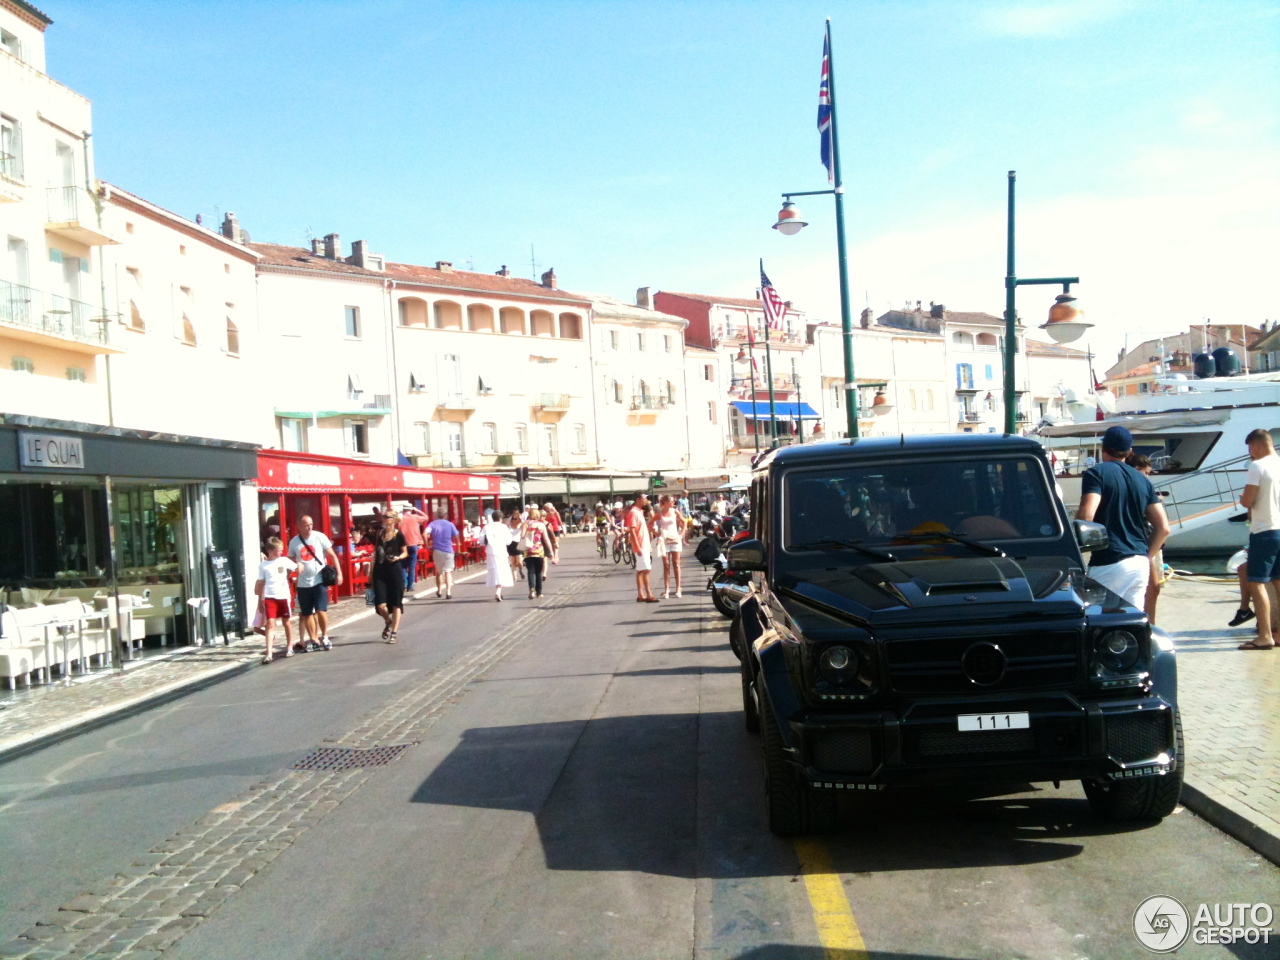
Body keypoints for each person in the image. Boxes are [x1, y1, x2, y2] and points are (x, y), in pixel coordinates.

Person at [1075, 426, 1170, 609]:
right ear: (1130, 451)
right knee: (1129, 624)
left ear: (1103, 448)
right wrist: (1145, 556)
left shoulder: (1097, 474)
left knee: (1095, 624)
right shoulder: (1142, 479)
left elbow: (1086, 516)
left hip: (1109, 561)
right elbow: (1163, 528)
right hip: (1140, 563)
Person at [1238, 428, 1280, 650]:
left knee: (1256, 582)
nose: (1250, 454)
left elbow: (1248, 501)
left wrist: (1243, 499)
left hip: (1265, 530)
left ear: (1257, 446)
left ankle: (1265, 636)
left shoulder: (1257, 466)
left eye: (1251, 449)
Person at [288, 514, 342, 652]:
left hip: (319, 580)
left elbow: (332, 555)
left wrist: (339, 573)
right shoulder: (294, 542)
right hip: (303, 582)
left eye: (311, 524)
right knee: (306, 613)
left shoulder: (319, 537)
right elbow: (290, 560)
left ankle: (325, 636)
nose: (309, 527)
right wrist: (294, 567)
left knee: (321, 610)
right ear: (299, 526)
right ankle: (313, 639)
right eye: (306, 525)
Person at [1125, 452, 1165, 624]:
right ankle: (1149, 625)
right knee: (1151, 588)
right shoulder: (1141, 489)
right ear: (1136, 469)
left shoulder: (1137, 487)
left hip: (1141, 543)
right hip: (1142, 545)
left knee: (1151, 588)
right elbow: (1163, 528)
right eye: (1146, 473)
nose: (1147, 478)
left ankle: (1148, 625)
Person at [255, 538, 297, 663]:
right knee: (270, 624)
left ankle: (289, 646)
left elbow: (296, 567)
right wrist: (259, 601)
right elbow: (261, 583)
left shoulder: (283, 560)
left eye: (281, 550)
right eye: (278, 550)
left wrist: (298, 568)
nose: (281, 552)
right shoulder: (263, 565)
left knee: (286, 622)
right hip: (270, 596)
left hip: (283, 596)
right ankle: (269, 653)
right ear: (270, 551)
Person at [372, 511, 408, 642]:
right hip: (380, 571)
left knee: (396, 603)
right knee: (381, 605)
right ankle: (388, 621)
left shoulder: (398, 535)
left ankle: (394, 632)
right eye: (383, 517)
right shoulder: (379, 534)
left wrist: (398, 557)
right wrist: (371, 573)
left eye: (387, 517)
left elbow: (405, 552)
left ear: (393, 520)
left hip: (395, 571)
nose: (384, 519)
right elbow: (375, 554)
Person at [653, 494, 687, 599]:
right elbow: (649, 524)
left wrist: (681, 534)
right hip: (665, 540)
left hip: (675, 538)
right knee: (666, 565)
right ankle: (667, 589)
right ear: (666, 502)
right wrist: (658, 535)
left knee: (676, 564)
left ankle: (678, 588)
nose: (674, 503)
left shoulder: (675, 511)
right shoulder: (660, 513)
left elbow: (684, 521)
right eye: (672, 501)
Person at [626, 493, 658, 602]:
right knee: (646, 570)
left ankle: (640, 594)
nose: (646, 500)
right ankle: (649, 594)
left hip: (644, 544)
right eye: (644, 498)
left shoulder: (640, 512)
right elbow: (632, 530)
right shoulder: (633, 512)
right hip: (640, 545)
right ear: (637, 499)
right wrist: (638, 546)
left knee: (640, 570)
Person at [425, 507, 460, 600]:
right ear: (446, 515)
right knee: (448, 571)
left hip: (437, 550)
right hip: (449, 550)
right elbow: (457, 538)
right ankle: (448, 592)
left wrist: (427, 545)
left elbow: (424, 534)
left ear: (436, 515)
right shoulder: (450, 524)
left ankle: (439, 590)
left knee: (439, 572)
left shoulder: (432, 524)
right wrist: (458, 550)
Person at [481, 509, 514, 601]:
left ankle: (498, 589)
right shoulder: (503, 527)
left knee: (495, 570)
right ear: (501, 518)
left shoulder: (487, 527)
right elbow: (509, 541)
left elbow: (481, 541)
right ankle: (499, 590)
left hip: (490, 552)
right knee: (501, 571)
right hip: (501, 551)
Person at [521, 507, 550, 599]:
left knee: (530, 571)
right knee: (538, 572)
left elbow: (522, 536)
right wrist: (551, 551)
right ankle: (539, 592)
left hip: (528, 550)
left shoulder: (525, 524)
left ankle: (532, 589)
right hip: (539, 550)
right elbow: (545, 539)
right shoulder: (541, 525)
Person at [399, 505, 428, 590]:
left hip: (403, 545)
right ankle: (410, 585)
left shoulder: (400, 519)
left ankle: (404, 582)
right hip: (413, 544)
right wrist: (417, 510)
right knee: (412, 566)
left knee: (403, 566)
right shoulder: (415, 517)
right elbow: (426, 517)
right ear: (411, 510)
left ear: (403, 510)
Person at [506, 510, 526, 581]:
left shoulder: (521, 524)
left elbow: (524, 527)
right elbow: (507, 523)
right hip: (510, 544)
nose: (514, 520)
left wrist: (521, 520)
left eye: (515, 519)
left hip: (518, 543)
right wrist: (511, 518)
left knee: (520, 561)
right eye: (513, 518)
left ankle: (520, 570)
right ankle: (515, 577)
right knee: (513, 562)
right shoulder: (509, 524)